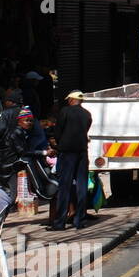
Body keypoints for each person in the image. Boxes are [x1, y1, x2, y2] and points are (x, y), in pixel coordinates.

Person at [50, 91, 92, 229]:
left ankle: (59, 223)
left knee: (64, 187)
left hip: (67, 153)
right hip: (82, 152)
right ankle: (79, 220)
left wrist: (58, 143)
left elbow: (58, 132)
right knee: (81, 186)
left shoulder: (65, 111)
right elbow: (86, 130)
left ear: (72, 100)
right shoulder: (87, 114)